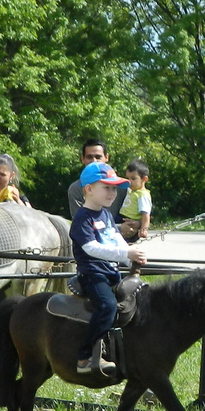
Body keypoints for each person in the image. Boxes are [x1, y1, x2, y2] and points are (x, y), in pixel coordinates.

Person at [70, 161, 148, 377]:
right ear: (88, 189)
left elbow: (116, 240)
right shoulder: (82, 218)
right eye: (107, 187)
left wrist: (132, 254)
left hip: (111, 272)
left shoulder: (105, 215)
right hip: (92, 274)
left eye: (114, 188)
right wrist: (125, 255)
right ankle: (85, 357)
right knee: (107, 306)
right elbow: (91, 248)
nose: (112, 193)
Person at [65, 138, 129, 220]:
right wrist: (120, 228)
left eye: (98, 157)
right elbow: (81, 222)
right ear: (82, 159)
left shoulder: (120, 185)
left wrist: (137, 224)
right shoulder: (76, 189)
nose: (94, 161)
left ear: (106, 157)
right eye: (89, 157)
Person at [124, 159, 153, 240]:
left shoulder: (143, 195)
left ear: (144, 179)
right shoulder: (133, 191)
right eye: (127, 178)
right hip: (123, 218)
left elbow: (145, 214)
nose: (129, 181)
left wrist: (144, 229)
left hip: (132, 223)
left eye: (133, 179)